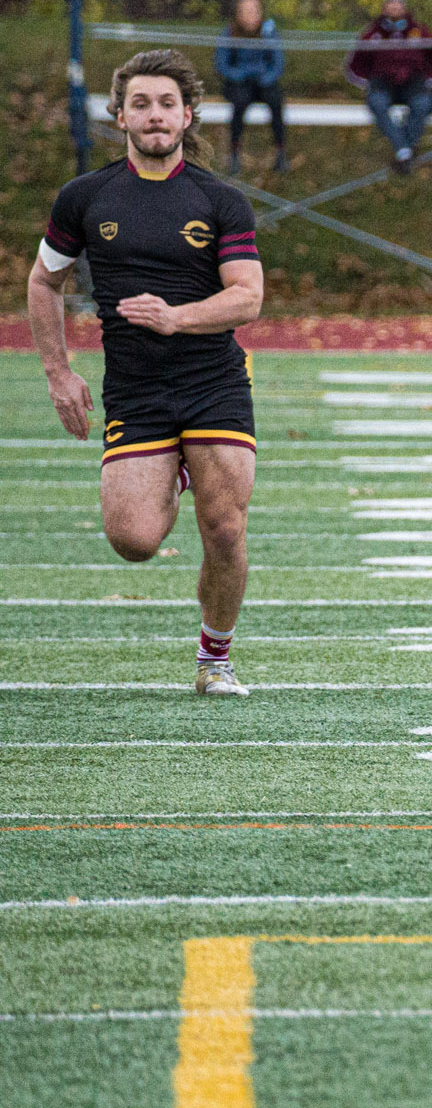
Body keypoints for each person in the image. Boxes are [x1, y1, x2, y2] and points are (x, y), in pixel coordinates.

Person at [26, 49, 265, 697]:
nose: (154, 115)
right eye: (141, 104)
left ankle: (215, 658)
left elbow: (248, 295)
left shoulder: (220, 199)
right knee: (133, 539)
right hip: (134, 388)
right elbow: (44, 281)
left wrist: (177, 318)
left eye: (166, 103)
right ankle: (178, 465)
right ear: (119, 115)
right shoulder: (86, 196)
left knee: (223, 527)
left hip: (212, 380)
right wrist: (58, 372)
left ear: (188, 114)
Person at [345, 0, 432, 172]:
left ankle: (404, 151)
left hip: (413, 81)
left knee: (423, 102)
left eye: (398, 1)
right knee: (376, 101)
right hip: (382, 82)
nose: (394, 5)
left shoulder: (419, 31)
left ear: (404, 5)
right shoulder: (372, 33)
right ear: (384, 6)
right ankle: (404, 151)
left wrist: (428, 80)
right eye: (390, 1)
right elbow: (354, 65)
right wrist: (368, 81)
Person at [216, 0, 287, 176]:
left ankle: (280, 152)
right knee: (239, 103)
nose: (251, 15)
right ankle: (234, 153)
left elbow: (277, 64)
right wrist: (240, 75)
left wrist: (265, 77)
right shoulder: (230, 33)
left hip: (263, 82)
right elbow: (222, 65)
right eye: (246, 11)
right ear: (238, 14)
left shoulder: (269, 33)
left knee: (276, 101)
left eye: (255, 11)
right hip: (239, 83)